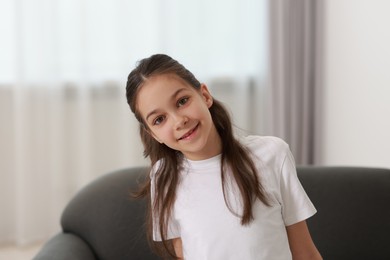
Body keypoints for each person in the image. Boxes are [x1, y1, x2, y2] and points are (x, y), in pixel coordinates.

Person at [125, 54, 322, 260]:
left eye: (182, 101)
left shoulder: (271, 154)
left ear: (205, 95)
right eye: (159, 119)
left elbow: (305, 253)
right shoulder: (163, 177)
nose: (178, 121)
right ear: (153, 135)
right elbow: (182, 253)